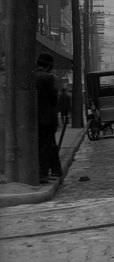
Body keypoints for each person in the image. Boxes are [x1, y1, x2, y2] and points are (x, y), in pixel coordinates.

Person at [36, 54, 61, 182]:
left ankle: (46, 171)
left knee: (41, 146)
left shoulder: (31, 77)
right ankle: (46, 173)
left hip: (34, 119)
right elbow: (54, 99)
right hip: (47, 119)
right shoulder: (49, 78)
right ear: (49, 66)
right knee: (48, 145)